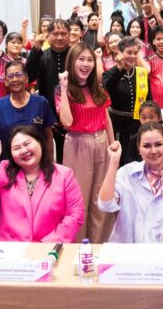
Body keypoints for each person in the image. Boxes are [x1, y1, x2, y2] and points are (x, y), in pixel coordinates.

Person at [0, 128, 85, 242]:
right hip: (9, 247)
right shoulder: (4, 171)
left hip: (50, 247)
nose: (23, 150)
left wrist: (47, 244)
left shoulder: (64, 175)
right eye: (16, 148)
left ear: (40, 142)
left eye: (27, 144)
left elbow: (75, 214)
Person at [99, 123, 163, 244]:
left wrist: (158, 251)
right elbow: (106, 205)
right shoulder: (126, 173)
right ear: (138, 148)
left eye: (158, 144)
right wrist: (114, 161)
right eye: (146, 146)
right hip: (128, 251)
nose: (153, 151)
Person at [55, 42, 115, 242]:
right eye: (81, 59)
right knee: (78, 199)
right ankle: (77, 247)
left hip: (102, 142)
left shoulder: (97, 88)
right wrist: (64, 88)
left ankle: (99, 246)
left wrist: (112, 145)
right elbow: (67, 121)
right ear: (72, 62)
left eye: (89, 60)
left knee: (101, 198)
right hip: (78, 144)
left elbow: (106, 118)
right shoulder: (63, 89)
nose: (86, 64)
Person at [26, 19, 71, 162]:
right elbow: (29, 77)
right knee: (49, 157)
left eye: (64, 33)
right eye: (55, 34)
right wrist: (35, 50)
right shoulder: (41, 55)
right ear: (47, 35)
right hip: (48, 115)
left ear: (70, 35)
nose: (59, 37)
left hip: (73, 114)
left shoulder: (76, 55)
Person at [103, 36, 152, 165]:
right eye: (129, 52)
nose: (132, 56)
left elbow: (149, 102)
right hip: (118, 126)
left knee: (139, 162)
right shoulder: (110, 73)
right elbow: (109, 88)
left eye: (135, 53)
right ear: (120, 53)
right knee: (120, 162)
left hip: (139, 125)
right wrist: (120, 68)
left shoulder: (142, 73)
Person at [0, 61, 56, 162]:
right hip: (8, 164)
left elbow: (49, 137)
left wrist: (49, 163)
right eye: (10, 76)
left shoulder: (41, 102)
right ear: (5, 81)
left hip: (37, 164)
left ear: (26, 78)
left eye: (18, 74)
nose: (15, 79)